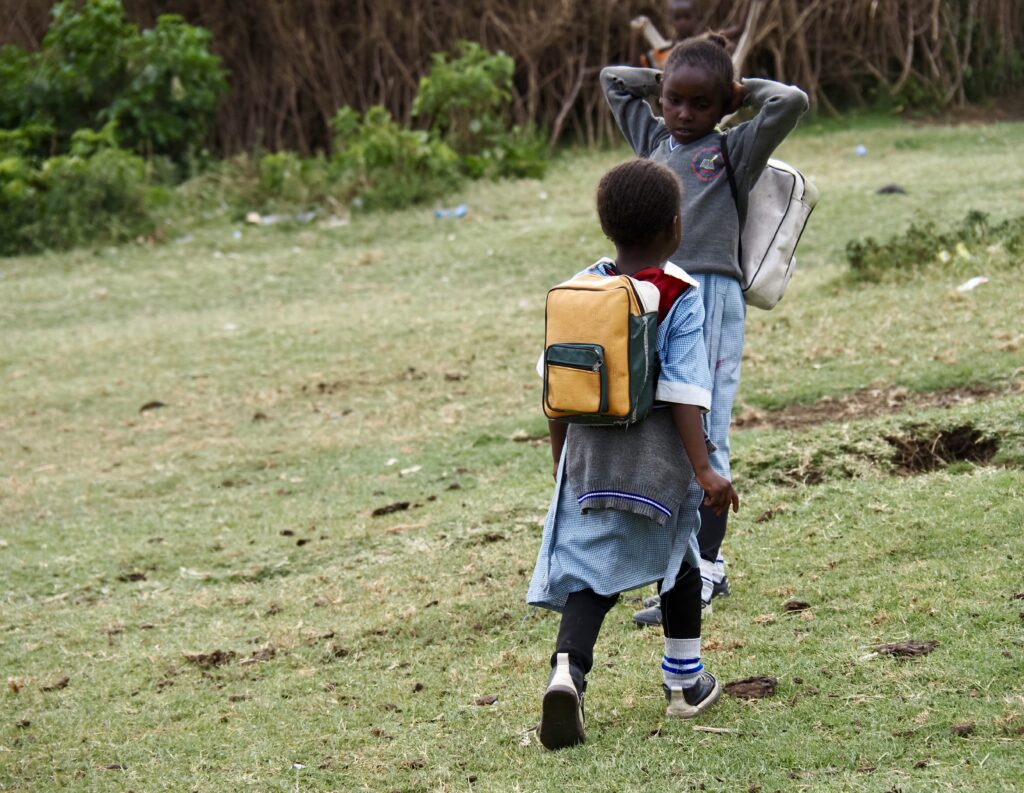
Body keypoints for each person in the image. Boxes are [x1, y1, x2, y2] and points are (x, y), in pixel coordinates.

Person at [528, 158, 740, 751]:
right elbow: (684, 390)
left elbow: (556, 387)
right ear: (676, 227)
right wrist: (703, 468)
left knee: (592, 572)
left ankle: (568, 670)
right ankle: (685, 684)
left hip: (590, 457)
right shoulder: (680, 294)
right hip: (659, 461)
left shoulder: (578, 289)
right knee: (681, 559)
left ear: (606, 227)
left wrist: (561, 459)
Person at [600, 34, 808, 627]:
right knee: (664, 423)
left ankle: (706, 569)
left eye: (700, 104)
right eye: (674, 102)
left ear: (722, 108)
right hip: (652, 296)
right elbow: (613, 80)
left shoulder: (733, 151)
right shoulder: (653, 141)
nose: (684, 115)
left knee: (707, 425)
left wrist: (741, 96)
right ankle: (677, 571)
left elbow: (790, 101)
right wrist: (659, 82)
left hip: (711, 296)